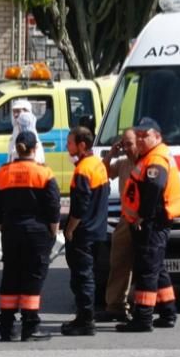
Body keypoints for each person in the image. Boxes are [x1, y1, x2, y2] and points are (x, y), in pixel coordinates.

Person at [116, 117, 180, 332]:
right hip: (156, 221)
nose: (140, 139)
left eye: (144, 135)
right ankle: (167, 313)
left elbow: (154, 186)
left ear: (157, 136)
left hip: (152, 222)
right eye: (138, 135)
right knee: (158, 268)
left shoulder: (156, 157)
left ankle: (143, 318)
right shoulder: (152, 155)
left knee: (146, 270)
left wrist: (142, 216)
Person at [0, 131, 60, 341]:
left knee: (10, 275)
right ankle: (30, 327)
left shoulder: (2, 173)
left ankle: (7, 326)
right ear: (35, 148)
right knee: (33, 277)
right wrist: (53, 231)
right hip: (37, 232)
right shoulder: (44, 174)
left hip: (11, 230)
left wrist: (3, 225)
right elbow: (53, 206)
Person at [61, 125, 109, 336]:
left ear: (81, 145)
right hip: (98, 230)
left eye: (70, 142)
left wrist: (70, 229)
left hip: (84, 233)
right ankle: (84, 318)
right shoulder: (97, 165)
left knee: (82, 278)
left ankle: (85, 321)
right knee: (88, 276)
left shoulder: (83, 170)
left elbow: (79, 206)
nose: (66, 146)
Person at [96, 128, 139, 323]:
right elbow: (101, 173)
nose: (127, 147)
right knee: (118, 262)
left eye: (130, 143)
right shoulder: (123, 164)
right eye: (125, 144)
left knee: (145, 266)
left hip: (143, 220)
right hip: (125, 220)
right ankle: (115, 306)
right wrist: (111, 153)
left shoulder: (147, 163)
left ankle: (143, 308)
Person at [8, 98, 46, 165]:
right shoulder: (16, 128)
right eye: (14, 111)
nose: (15, 114)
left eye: (18, 111)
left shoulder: (29, 131)